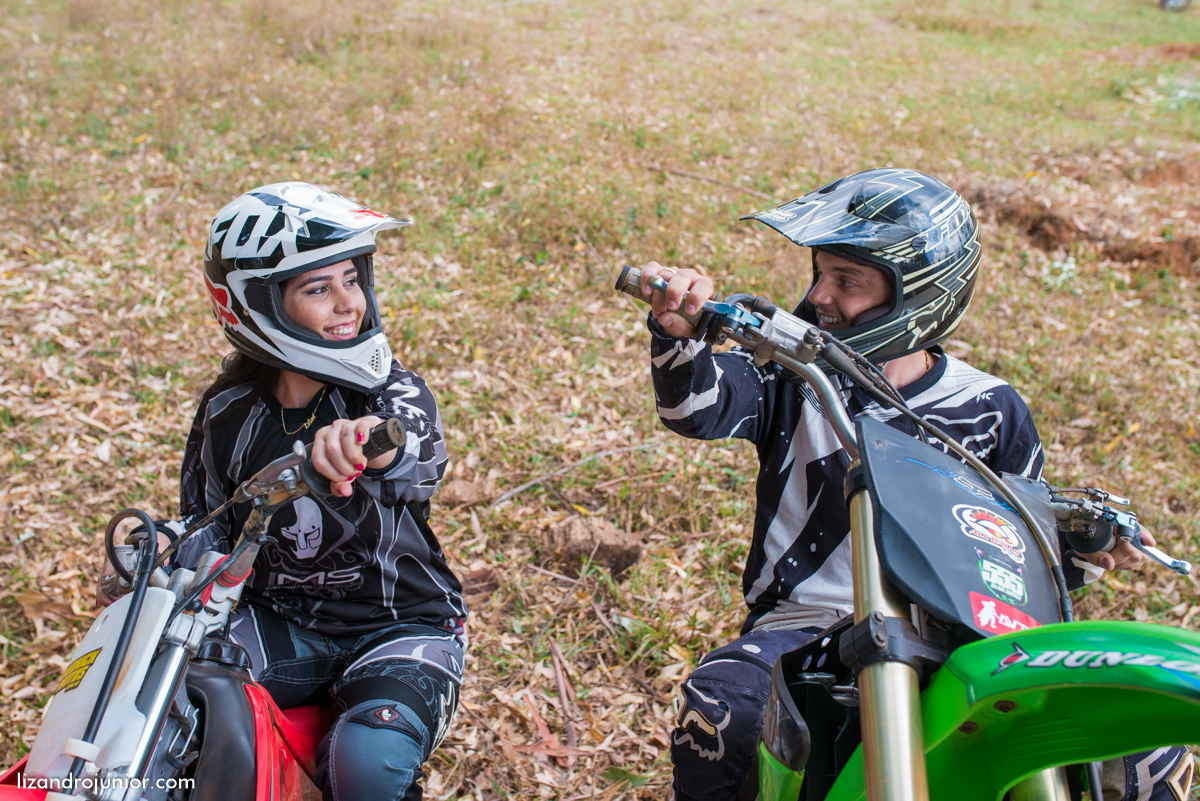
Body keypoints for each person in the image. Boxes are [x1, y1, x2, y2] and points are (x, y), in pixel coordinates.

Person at [638, 168, 1191, 801]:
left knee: (1143, 751)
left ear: (918, 296)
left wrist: (1086, 552)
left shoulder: (991, 408)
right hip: (807, 622)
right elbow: (695, 411)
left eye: (847, 281)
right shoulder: (792, 374)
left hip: (960, 630)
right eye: (820, 273)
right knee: (724, 707)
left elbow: (1021, 559)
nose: (819, 295)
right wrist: (677, 335)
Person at [100, 182, 465, 801]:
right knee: (155, 697)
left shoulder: (391, 393)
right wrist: (158, 545)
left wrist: (369, 440)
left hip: (402, 626)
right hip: (276, 620)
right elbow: (213, 525)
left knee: (369, 760)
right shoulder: (228, 412)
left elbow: (421, 456)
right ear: (260, 305)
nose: (348, 303)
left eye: (353, 279)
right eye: (318, 288)